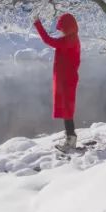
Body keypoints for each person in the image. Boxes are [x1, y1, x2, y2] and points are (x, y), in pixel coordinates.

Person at [33, 13, 81, 151]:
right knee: (67, 108)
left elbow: (48, 40)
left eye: (62, 28)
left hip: (67, 79)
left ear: (67, 27)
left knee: (67, 109)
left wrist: (37, 24)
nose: (61, 31)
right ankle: (70, 137)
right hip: (67, 78)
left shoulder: (68, 40)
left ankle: (70, 139)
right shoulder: (72, 38)